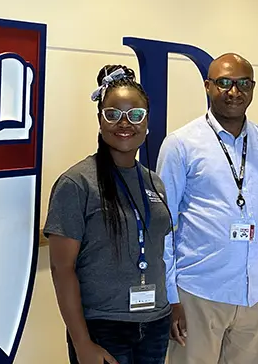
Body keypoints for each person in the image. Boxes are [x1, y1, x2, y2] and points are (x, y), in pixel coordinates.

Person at [156, 53, 258, 363]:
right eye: (224, 83)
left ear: (253, 88)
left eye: (243, 84)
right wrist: (170, 297)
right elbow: (163, 226)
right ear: (208, 86)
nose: (234, 92)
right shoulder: (181, 144)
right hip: (199, 292)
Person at [45, 65, 175, 364]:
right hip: (103, 327)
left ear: (147, 122)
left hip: (154, 323)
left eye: (136, 114)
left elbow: (158, 254)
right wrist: (82, 343)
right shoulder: (77, 183)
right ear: (100, 120)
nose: (125, 123)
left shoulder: (153, 182)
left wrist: (171, 307)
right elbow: (61, 270)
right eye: (113, 114)